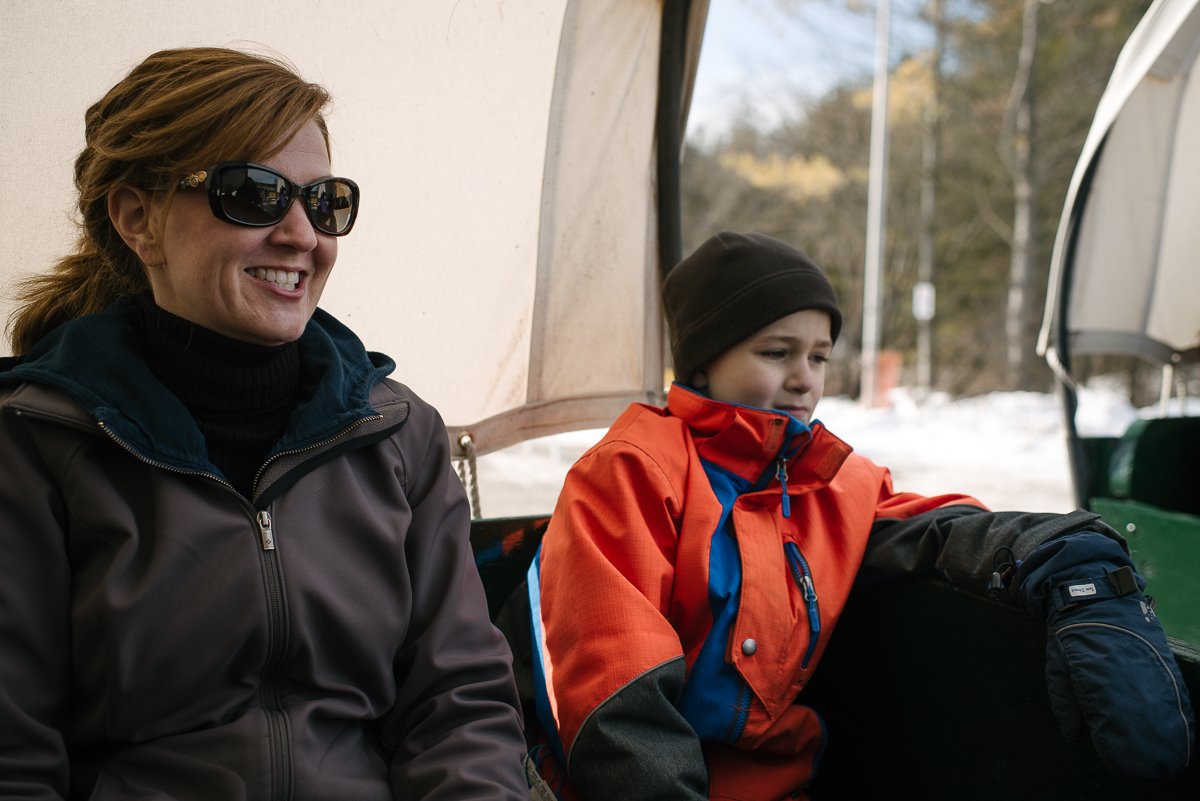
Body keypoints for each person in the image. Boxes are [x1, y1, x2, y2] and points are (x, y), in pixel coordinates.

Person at [0, 47, 528, 800]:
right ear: (137, 219)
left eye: (325, 202)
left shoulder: (400, 437)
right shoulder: (35, 442)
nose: (301, 235)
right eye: (252, 194)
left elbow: (461, 709)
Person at [521, 231, 1195, 801]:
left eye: (818, 356)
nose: (804, 378)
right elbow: (612, 684)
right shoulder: (633, 471)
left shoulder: (828, 481)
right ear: (704, 358)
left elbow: (936, 527)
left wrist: (1066, 555)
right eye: (776, 352)